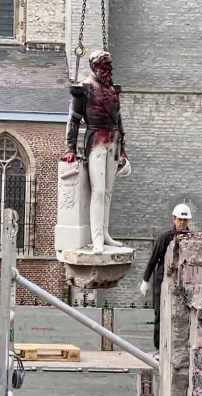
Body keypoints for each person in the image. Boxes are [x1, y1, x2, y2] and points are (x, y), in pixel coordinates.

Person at [62, 50, 131, 253]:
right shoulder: (84, 90)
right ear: (94, 67)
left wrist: (123, 147)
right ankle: (97, 238)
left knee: (108, 192)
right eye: (104, 65)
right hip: (97, 142)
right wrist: (70, 148)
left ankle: (105, 233)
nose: (108, 69)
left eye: (109, 65)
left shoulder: (112, 89)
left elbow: (118, 119)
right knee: (98, 191)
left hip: (114, 141)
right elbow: (74, 120)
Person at [140, 204, 192, 360]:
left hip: (182, 283)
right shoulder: (165, 238)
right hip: (162, 281)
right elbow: (153, 260)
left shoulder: (192, 239)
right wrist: (145, 280)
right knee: (160, 316)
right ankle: (158, 349)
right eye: (180, 219)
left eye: (185, 220)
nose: (182, 222)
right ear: (174, 219)